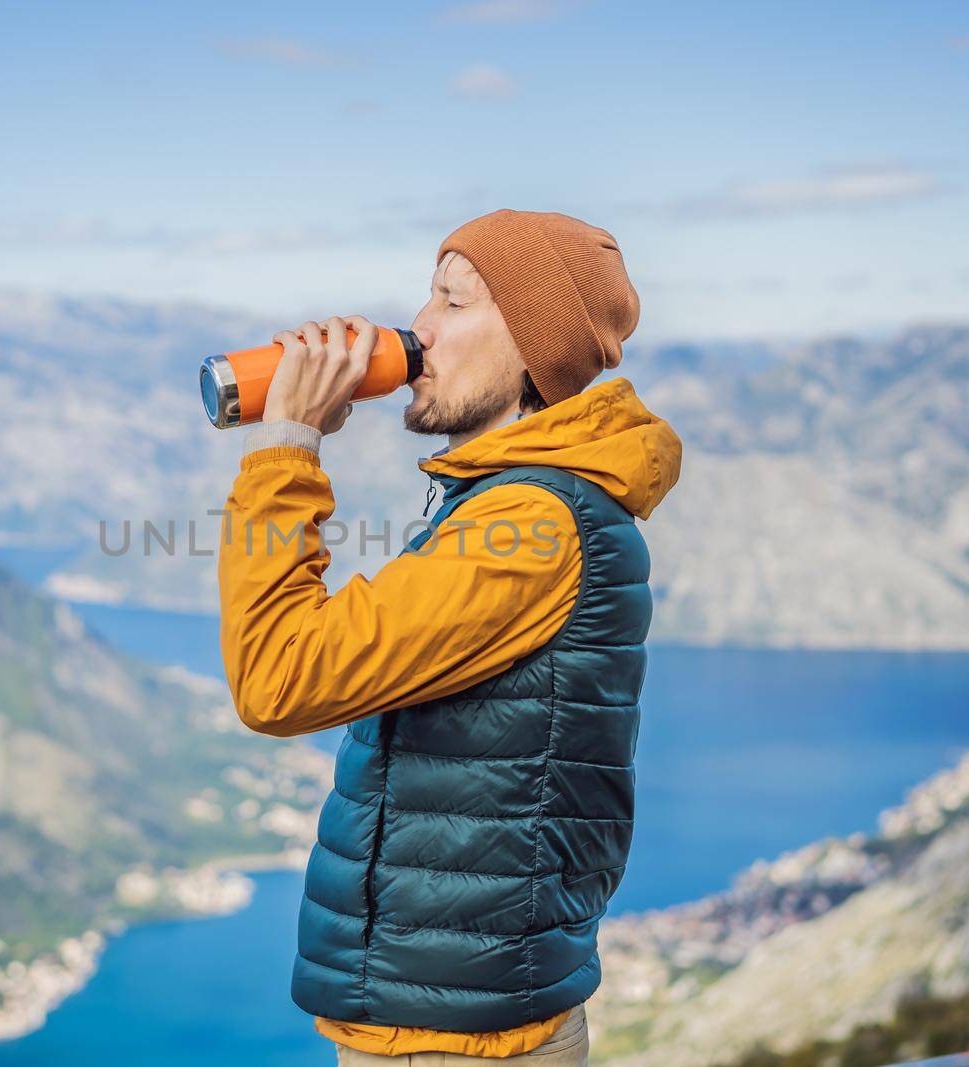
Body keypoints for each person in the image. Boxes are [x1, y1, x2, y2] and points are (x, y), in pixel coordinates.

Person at [216, 208, 684, 1064]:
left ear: (534, 353)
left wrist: (287, 445)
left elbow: (279, 678)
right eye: (425, 299)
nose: (418, 330)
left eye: (454, 303)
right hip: (444, 1015)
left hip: (457, 1042)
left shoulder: (534, 522)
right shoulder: (509, 502)